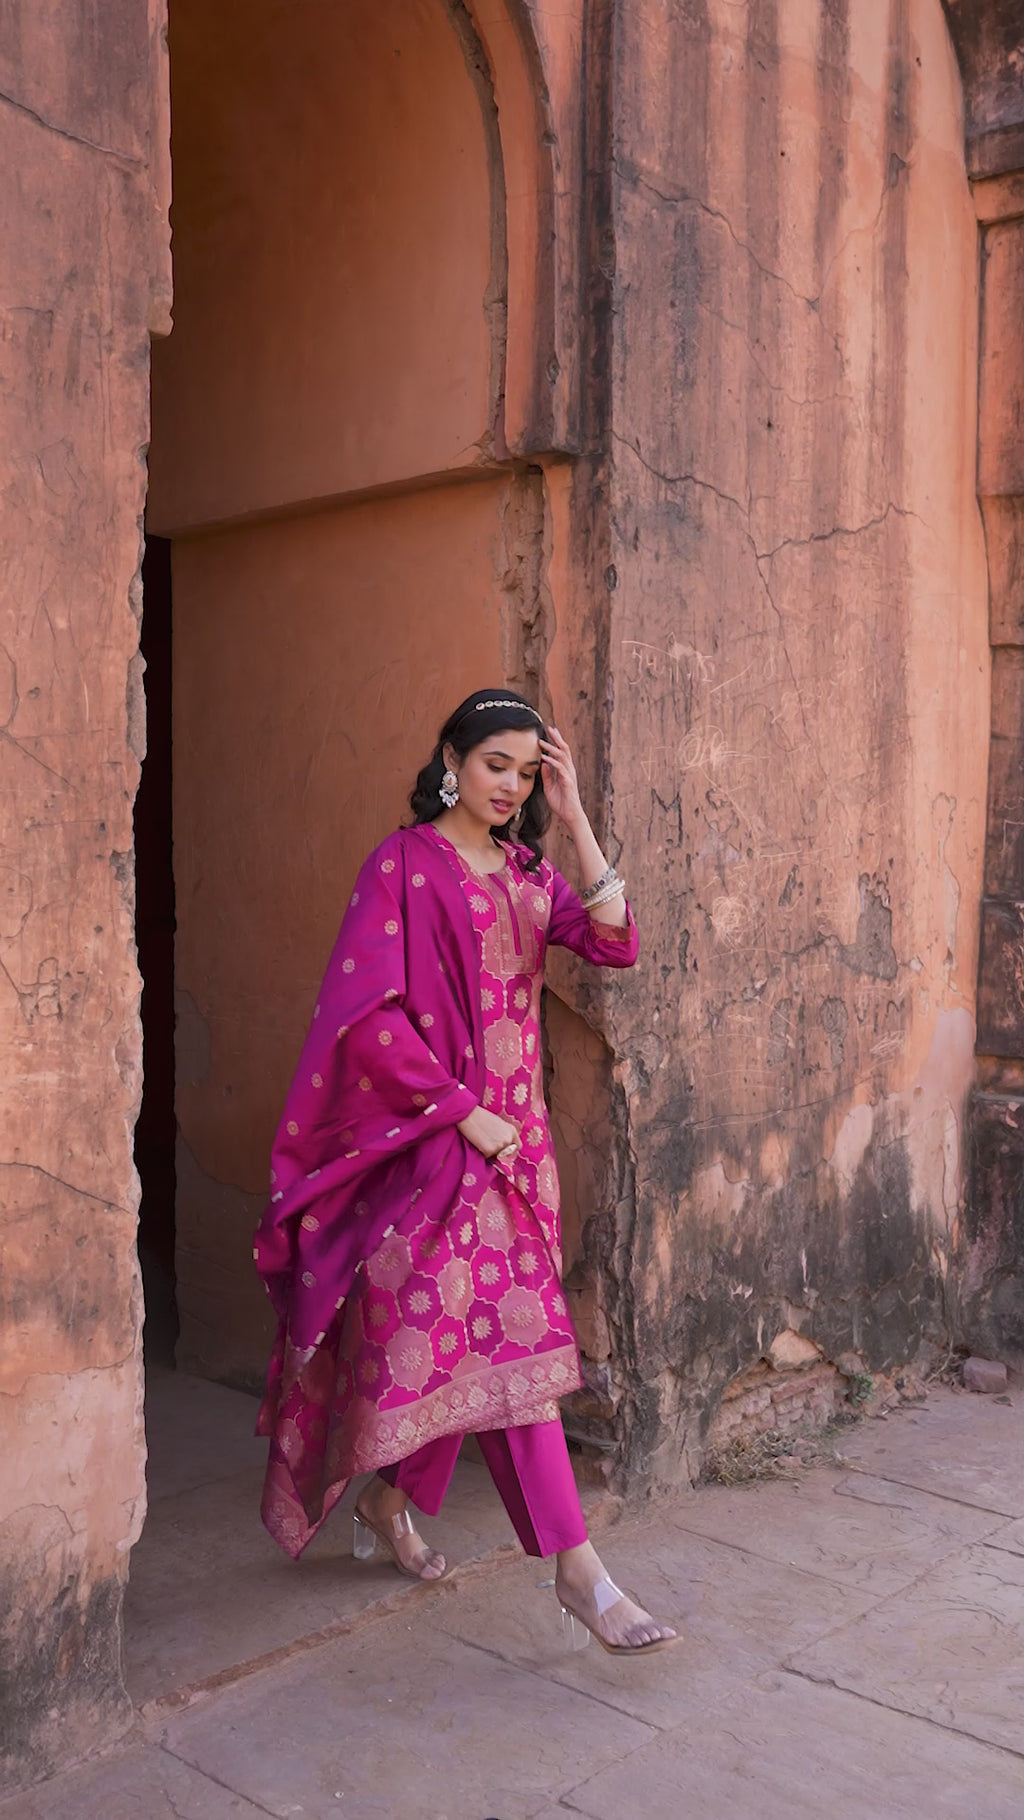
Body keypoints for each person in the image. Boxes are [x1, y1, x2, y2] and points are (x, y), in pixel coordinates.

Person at [253, 688, 677, 1654]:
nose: (511, 785)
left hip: (519, 1154)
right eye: (497, 764)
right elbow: (369, 1021)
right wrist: (467, 1114)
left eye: (528, 772)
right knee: (503, 1347)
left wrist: (573, 820)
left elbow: (618, 943)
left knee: (476, 1347)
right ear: (452, 755)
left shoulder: (530, 874)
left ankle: (390, 1504)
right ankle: (582, 1575)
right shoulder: (401, 867)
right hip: (438, 1148)